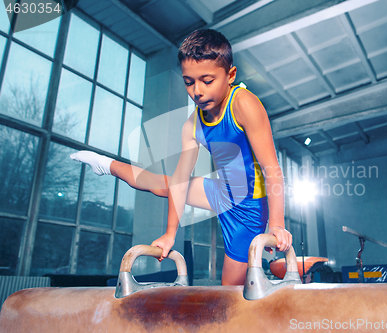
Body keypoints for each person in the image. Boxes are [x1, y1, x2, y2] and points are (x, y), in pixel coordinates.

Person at [71, 29, 292, 285]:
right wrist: (169, 234)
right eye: (189, 82)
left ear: (230, 75)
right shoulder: (192, 125)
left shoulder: (244, 104)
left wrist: (275, 224)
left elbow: (271, 168)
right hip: (223, 192)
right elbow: (180, 181)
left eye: (207, 81)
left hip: (250, 207)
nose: (197, 91)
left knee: (230, 290)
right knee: (162, 185)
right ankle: (107, 165)